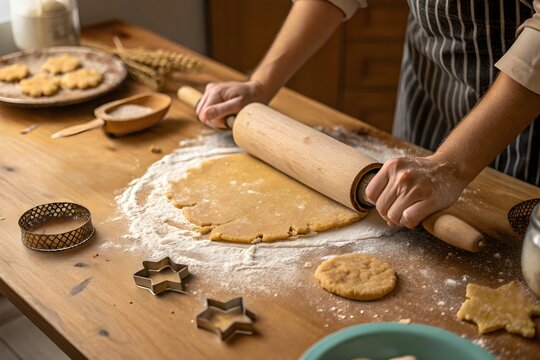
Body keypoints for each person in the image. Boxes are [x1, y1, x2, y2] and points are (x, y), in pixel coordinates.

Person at [196, 0, 540, 228]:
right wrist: (261, 83)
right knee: (400, 204)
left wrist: (451, 164)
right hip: (430, 83)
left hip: (521, 115)